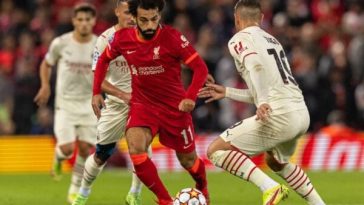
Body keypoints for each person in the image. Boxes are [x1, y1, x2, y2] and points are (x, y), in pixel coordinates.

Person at [198, 0, 326, 205]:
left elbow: (255, 67)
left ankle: (270, 188)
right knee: (275, 161)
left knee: (216, 150)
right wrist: (228, 92)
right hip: (300, 113)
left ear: (237, 19)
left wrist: (263, 102)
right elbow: (264, 89)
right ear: (262, 18)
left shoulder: (239, 39)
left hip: (279, 113)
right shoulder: (272, 40)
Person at [91, 0, 210, 204]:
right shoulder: (121, 38)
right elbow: (103, 60)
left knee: (188, 161)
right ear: (135, 18)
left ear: (159, 16)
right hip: (143, 105)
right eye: (144, 20)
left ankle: (203, 189)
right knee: (136, 148)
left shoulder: (172, 37)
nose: (149, 26)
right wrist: (96, 92)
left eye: (154, 19)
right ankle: (165, 200)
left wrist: (190, 96)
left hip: (174, 107)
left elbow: (200, 68)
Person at [72, 1, 151, 205]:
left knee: (141, 149)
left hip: (143, 103)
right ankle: (84, 191)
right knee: (101, 155)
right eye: (127, 13)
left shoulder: (148, 34)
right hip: (116, 105)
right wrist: (122, 94)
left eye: (135, 13)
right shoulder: (105, 40)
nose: (132, 18)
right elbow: (96, 77)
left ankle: (134, 194)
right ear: (116, 12)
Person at [33, 3, 98, 204]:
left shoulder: (100, 44)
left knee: (87, 148)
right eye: (80, 19)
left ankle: (75, 187)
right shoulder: (61, 43)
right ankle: (59, 157)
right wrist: (45, 85)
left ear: (93, 21)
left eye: (88, 19)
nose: (84, 23)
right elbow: (46, 63)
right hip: (65, 104)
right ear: (74, 21)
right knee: (69, 149)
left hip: (88, 105)